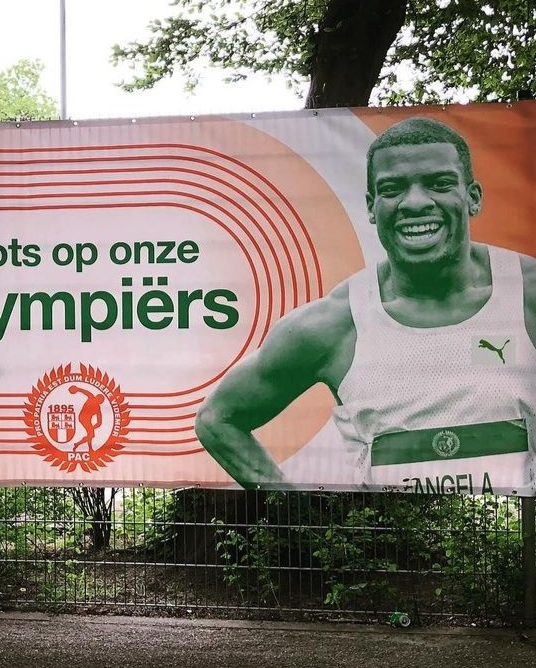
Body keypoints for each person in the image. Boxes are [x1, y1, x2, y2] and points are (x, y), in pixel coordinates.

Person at [195, 117, 536, 494]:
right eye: (393, 189)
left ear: (472, 196)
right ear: (373, 207)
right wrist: (298, 516)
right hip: (391, 550)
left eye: (439, 184)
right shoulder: (334, 324)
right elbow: (217, 418)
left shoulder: (527, 293)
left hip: (519, 551)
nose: (416, 202)